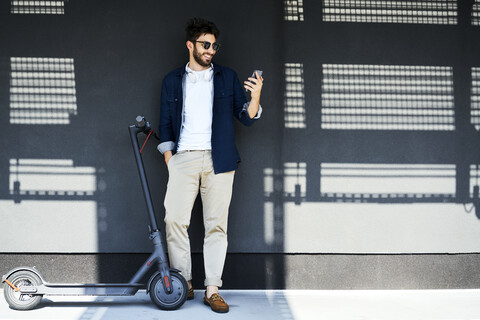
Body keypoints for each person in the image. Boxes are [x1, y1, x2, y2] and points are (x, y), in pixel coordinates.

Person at [157, 17, 263, 313]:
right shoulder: (172, 80)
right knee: (174, 220)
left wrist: (255, 97)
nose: (211, 50)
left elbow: (246, 116)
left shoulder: (227, 77)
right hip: (184, 157)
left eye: (215, 45)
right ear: (190, 45)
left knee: (216, 226)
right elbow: (166, 124)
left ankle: (213, 289)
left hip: (220, 159)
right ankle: (183, 283)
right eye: (205, 44)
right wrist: (171, 160)